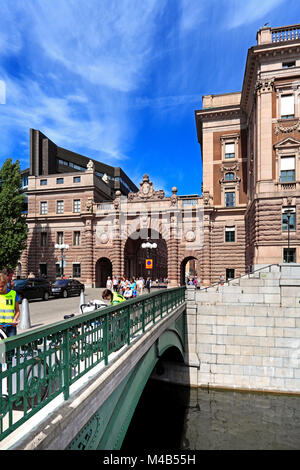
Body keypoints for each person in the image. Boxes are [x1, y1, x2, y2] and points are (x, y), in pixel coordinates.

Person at [0, 273, 20, 337]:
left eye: (2, 286)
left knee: (11, 346)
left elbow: (17, 311)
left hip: (11, 327)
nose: (0, 288)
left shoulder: (13, 294)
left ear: (6, 284)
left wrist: (15, 319)